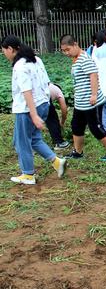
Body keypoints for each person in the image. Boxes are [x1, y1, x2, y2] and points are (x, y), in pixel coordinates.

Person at [2, 35, 67, 185]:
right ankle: (57, 162)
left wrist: (33, 114)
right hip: (43, 103)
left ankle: (28, 174)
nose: (4, 53)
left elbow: (26, 91)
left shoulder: (20, 66)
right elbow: (46, 82)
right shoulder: (36, 59)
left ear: (11, 49)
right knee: (34, 138)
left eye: (4, 50)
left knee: (22, 142)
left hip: (27, 109)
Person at [59, 35, 106, 161]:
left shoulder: (84, 58)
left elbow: (93, 75)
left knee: (96, 127)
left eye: (68, 49)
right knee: (76, 125)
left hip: (91, 102)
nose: (66, 53)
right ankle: (78, 152)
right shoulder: (76, 59)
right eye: (63, 51)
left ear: (75, 44)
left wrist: (94, 94)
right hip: (81, 102)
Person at [46, 83, 70, 149]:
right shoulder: (58, 91)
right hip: (43, 96)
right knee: (52, 118)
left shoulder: (50, 85)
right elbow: (64, 110)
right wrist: (62, 122)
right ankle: (59, 142)